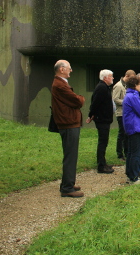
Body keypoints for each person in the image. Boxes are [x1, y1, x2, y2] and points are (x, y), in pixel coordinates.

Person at [51, 60, 85, 198]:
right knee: (70, 156)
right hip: (68, 123)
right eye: (69, 68)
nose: (71, 70)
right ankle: (67, 188)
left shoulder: (61, 83)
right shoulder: (60, 85)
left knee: (70, 155)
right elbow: (77, 101)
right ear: (62, 69)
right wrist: (81, 98)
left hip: (69, 123)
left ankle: (68, 183)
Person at [86, 69, 115, 174]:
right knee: (102, 142)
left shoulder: (105, 87)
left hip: (105, 119)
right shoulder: (101, 88)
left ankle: (103, 162)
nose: (112, 78)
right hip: (101, 119)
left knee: (104, 141)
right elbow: (95, 103)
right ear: (105, 77)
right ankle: (101, 166)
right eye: (111, 76)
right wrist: (91, 115)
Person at [112, 70, 135, 161]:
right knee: (122, 133)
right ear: (127, 76)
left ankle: (127, 152)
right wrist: (127, 102)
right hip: (121, 113)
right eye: (131, 78)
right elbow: (115, 99)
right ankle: (119, 154)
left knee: (127, 134)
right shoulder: (118, 86)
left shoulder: (127, 85)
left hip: (128, 113)